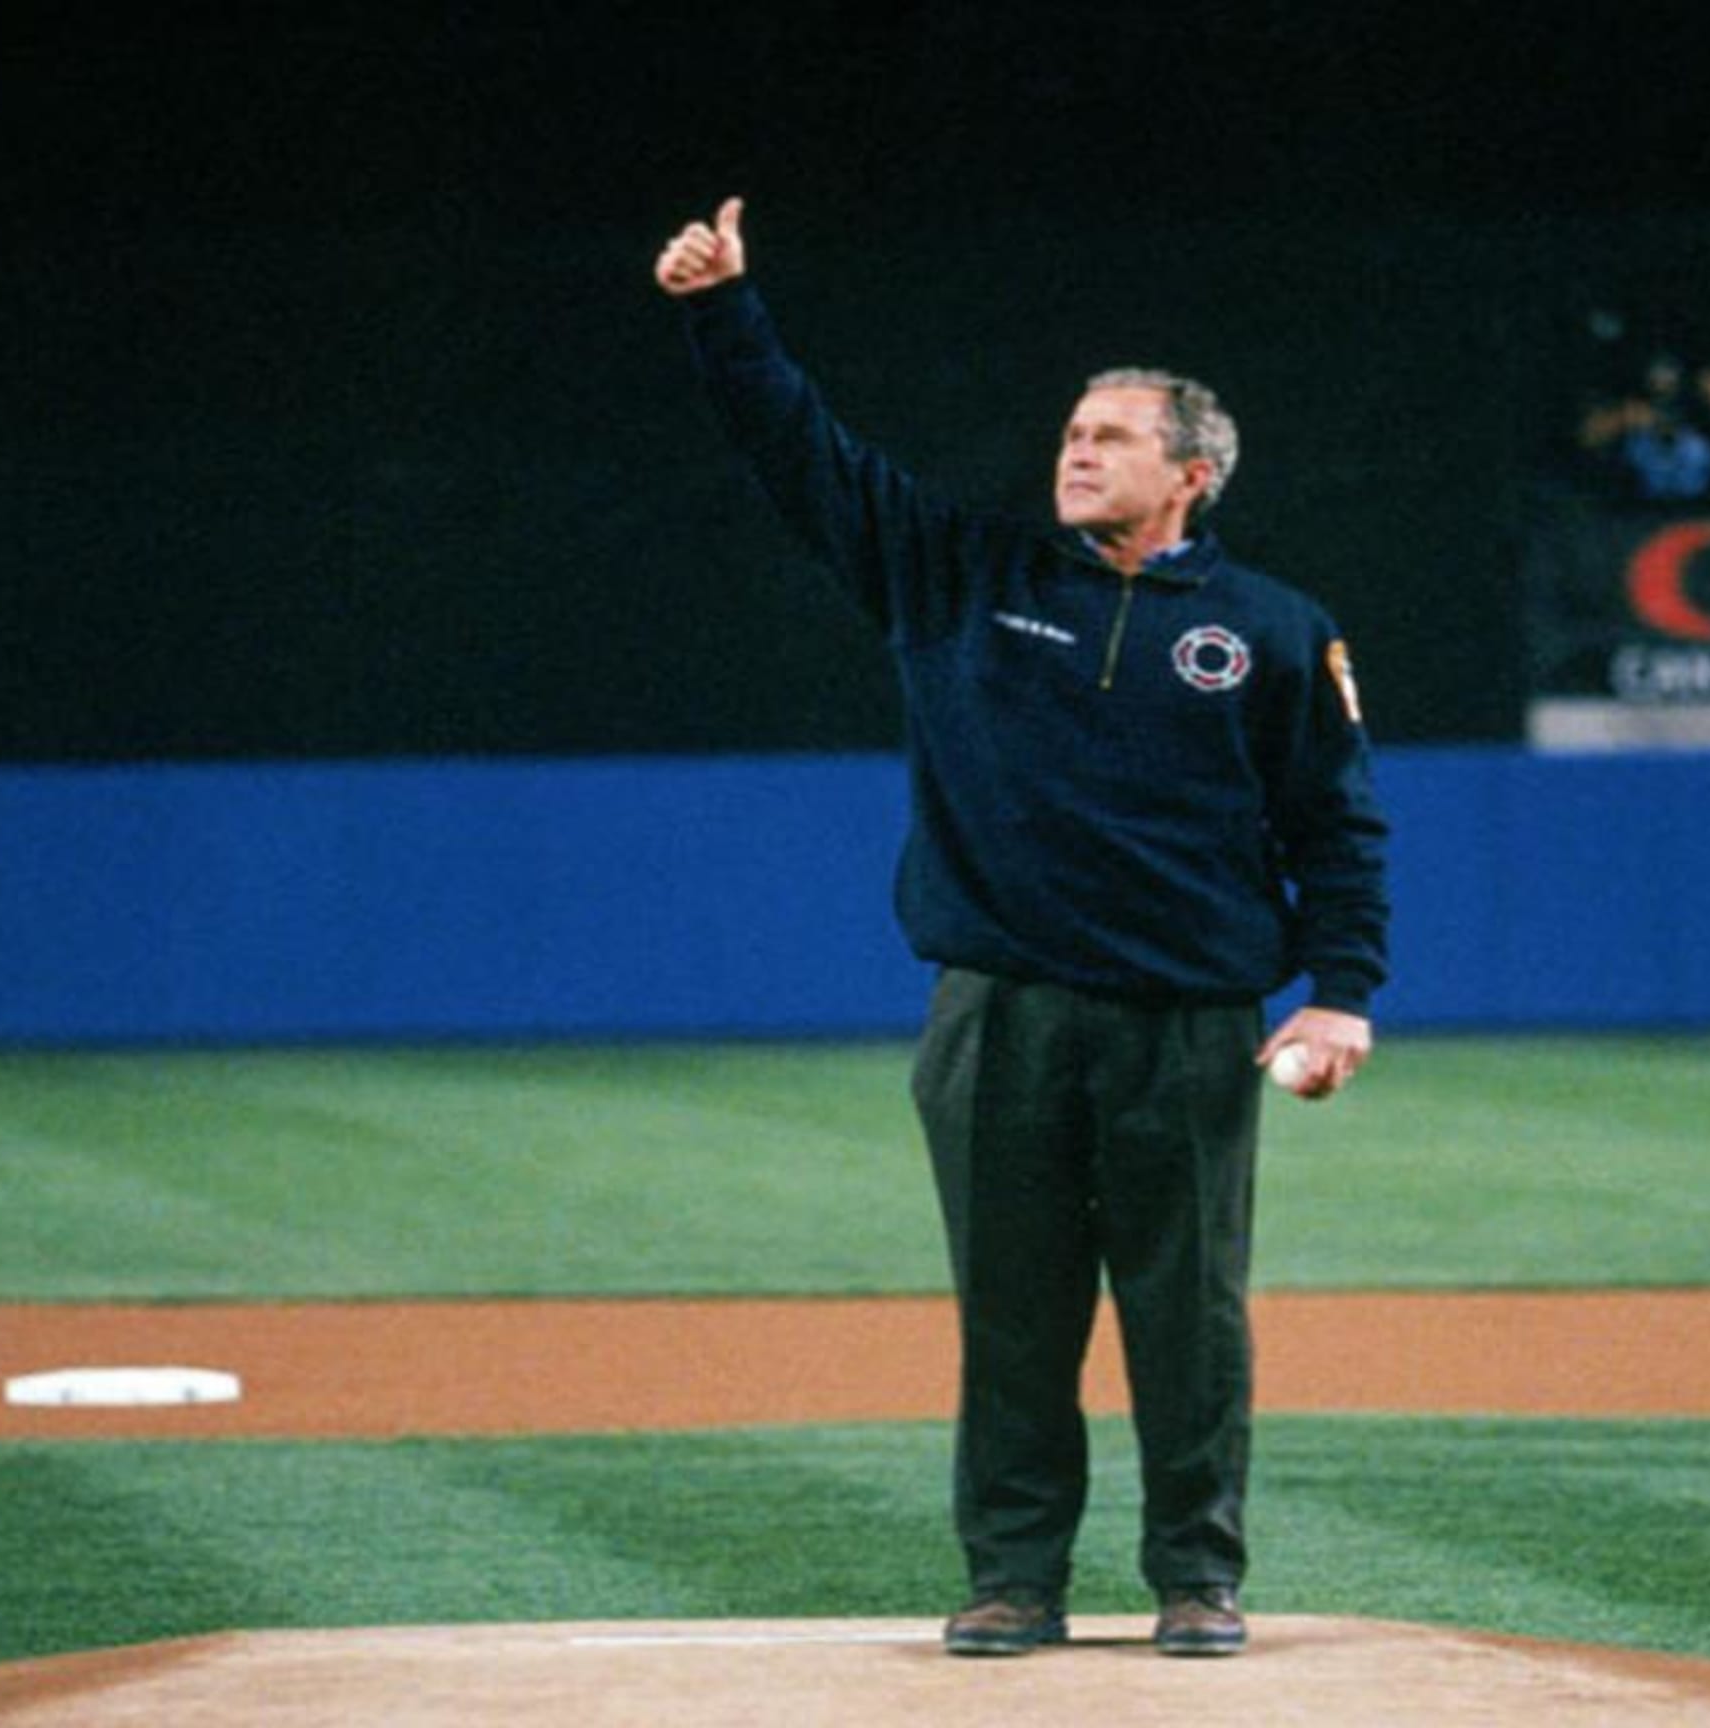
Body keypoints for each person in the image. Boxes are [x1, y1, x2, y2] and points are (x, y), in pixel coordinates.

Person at [654, 199, 1391, 1660]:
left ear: (1190, 473)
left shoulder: (1275, 628)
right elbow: (804, 456)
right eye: (1070, 430)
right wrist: (723, 311)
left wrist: (1340, 992)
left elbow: (1337, 824)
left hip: (1189, 1025)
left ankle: (1198, 1578)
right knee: (1013, 1322)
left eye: (1109, 435)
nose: (1074, 448)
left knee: (1190, 1324)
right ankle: (1014, 1582)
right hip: (997, 1014)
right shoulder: (961, 580)